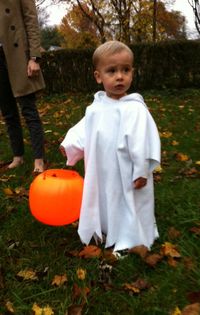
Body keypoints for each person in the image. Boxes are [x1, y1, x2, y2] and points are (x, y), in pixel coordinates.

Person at [60, 40, 161, 252]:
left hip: (129, 170)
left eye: (125, 70)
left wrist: (141, 170)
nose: (119, 76)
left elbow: (143, 141)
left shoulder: (136, 109)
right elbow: (85, 130)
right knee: (105, 196)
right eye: (112, 71)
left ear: (132, 72)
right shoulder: (96, 108)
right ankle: (106, 226)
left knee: (130, 200)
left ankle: (133, 235)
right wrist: (70, 145)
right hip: (103, 169)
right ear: (98, 76)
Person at [0, 0, 45, 173]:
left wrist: (34, 57)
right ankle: (18, 156)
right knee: (8, 111)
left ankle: (39, 159)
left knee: (28, 109)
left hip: (17, 53)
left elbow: (31, 21)